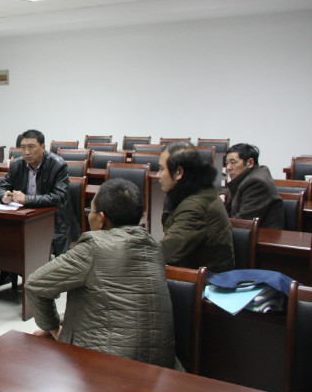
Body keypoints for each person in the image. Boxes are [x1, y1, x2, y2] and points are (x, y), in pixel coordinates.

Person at [25, 178, 175, 368]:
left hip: (108, 367)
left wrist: (54, 329)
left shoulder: (94, 247)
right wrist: (59, 323)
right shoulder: (153, 247)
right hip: (159, 366)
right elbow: (114, 305)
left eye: (91, 211)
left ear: (101, 218)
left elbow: (35, 285)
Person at [0, 129, 80, 254]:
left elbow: (59, 197)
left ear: (43, 147)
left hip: (54, 220)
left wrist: (27, 199)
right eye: (23, 148)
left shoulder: (58, 165)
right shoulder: (16, 164)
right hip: (25, 216)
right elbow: (1, 188)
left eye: (31, 147)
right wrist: (4, 195)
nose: (27, 152)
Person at [158, 142, 234, 272]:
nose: (158, 175)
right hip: (190, 271)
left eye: (161, 169)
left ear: (179, 172)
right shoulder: (196, 190)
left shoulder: (195, 206)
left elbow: (166, 253)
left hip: (206, 280)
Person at [221, 143, 283, 229]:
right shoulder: (252, 173)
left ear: (250, 162)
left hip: (261, 234)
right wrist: (223, 194)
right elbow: (233, 187)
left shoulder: (256, 183)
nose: (228, 168)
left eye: (233, 162)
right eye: (227, 163)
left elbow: (242, 221)